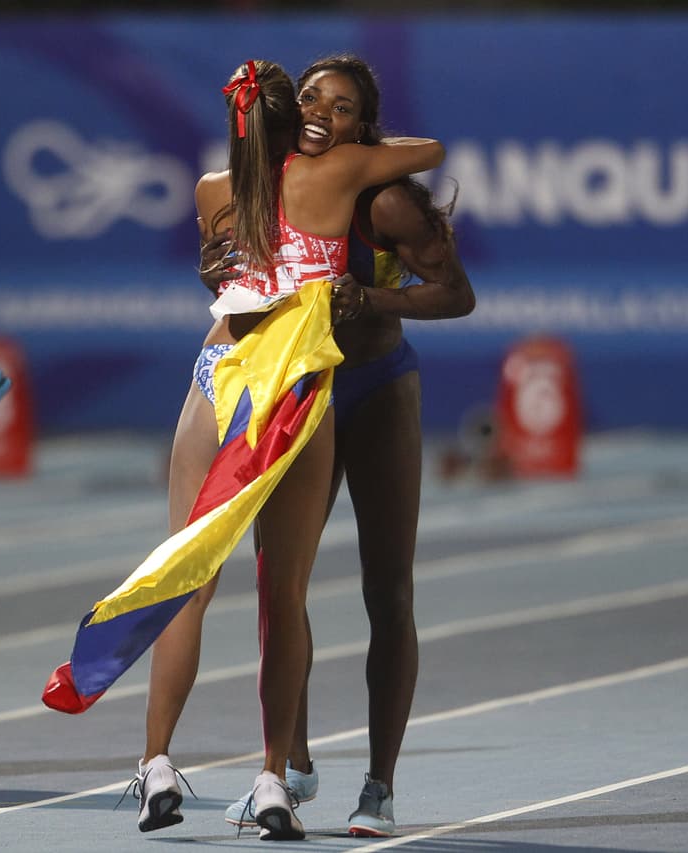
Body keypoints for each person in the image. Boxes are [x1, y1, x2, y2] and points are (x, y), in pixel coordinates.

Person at [133, 59, 444, 841]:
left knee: (197, 574)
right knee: (278, 591)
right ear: (281, 113)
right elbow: (428, 145)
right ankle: (276, 774)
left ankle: (162, 763)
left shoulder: (222, 189)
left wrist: (369, 293)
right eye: (309, 99)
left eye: (342, 107)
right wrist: (354, 142)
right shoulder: (341, 173)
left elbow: (224, 269)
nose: (322, 113)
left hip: (281, 381)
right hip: (303, 389)